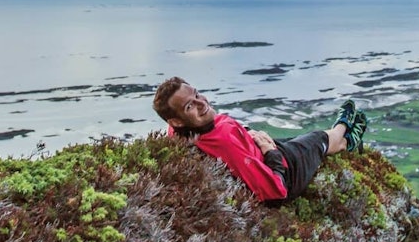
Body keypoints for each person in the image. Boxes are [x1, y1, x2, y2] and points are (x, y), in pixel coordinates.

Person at [151, 77, 367, 204]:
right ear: (176, 120)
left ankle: (345, 130)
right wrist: (270, 152)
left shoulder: (178, 131)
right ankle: (346, 132)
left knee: (298, 139)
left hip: (260, 149)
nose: (201, 103)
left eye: (197, 94)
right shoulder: (225, 143)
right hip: (286, 171)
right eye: (190, 106)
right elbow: (275, 191)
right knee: (319, 139)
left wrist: (248, 133)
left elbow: (222, 131)